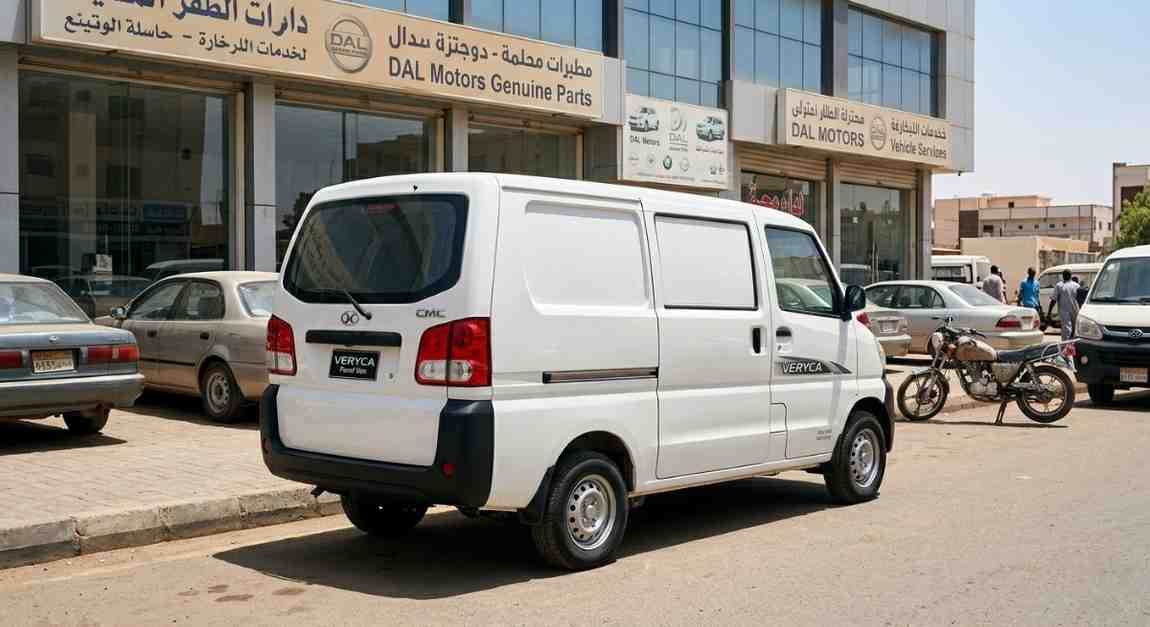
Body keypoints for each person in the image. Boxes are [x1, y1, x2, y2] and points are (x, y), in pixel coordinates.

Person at [1047, 270, 1080, 340]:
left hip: (1064, 311)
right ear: (1071, 276)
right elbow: (1081, 300)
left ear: (1063, 276)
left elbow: (1053, 300)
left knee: (1066, 330)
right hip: (1075, 311)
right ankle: (1072, 347)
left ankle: (1065, 347)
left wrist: (1049, 312)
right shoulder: (1076, 285)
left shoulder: (1059, 285)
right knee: (1075, 330)